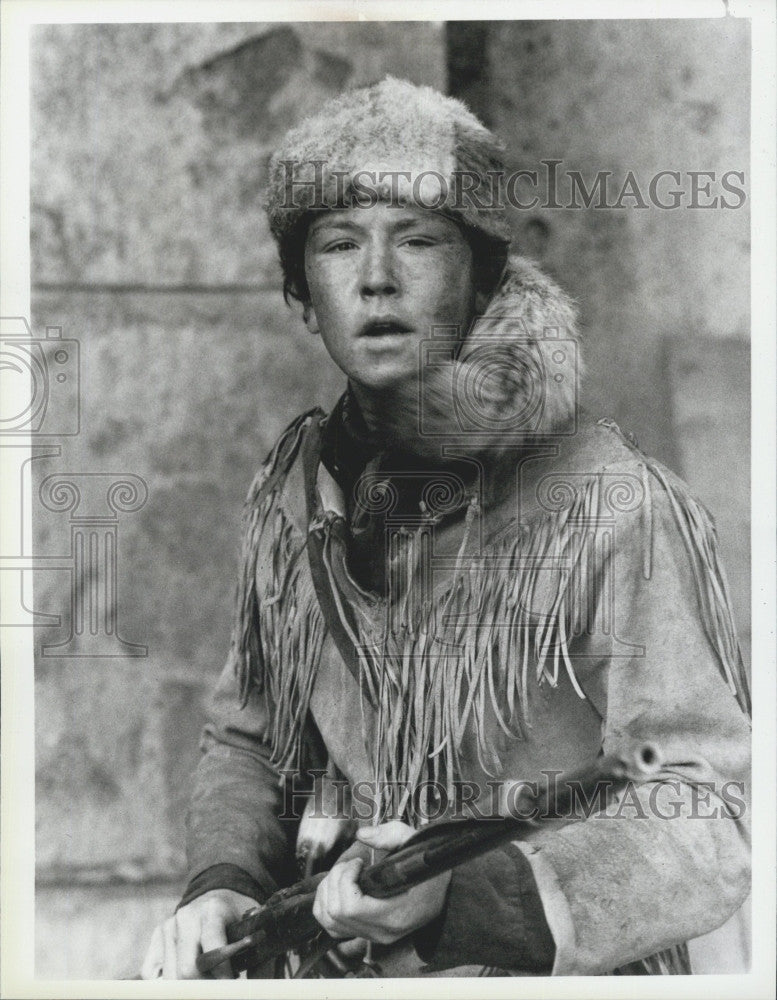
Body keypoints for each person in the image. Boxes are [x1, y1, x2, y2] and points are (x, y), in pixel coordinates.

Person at [141, 77, 751, 980]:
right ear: (303, 296)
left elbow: (704, 807)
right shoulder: (294, 501)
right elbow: (251, 739)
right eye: (340, 243)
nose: (376, 277)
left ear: (482, 279)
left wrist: (466, 898)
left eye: (418, 240)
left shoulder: (606, 501)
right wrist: (221, 882)